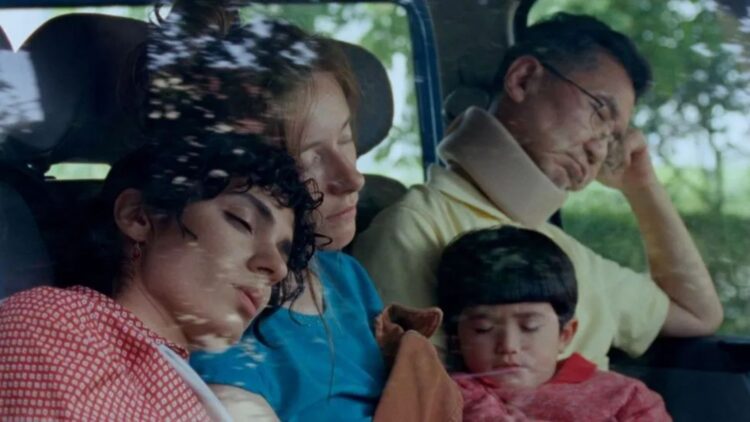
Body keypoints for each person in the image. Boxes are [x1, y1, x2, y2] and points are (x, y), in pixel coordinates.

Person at [353, 12, 723, 368]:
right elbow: (422, 395)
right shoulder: (416, 226)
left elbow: (697, 313)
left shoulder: (565, 251)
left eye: (613, 136)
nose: (599, 150)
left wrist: (641, 184)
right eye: (599, 111)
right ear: (523, 79)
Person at [0, 14, 320, 419]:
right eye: (241, 222)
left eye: (284, 252)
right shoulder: (54, 326)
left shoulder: (186, 382)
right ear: (138, 217)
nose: (275, 268)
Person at [188, 21, 389, 421]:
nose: (353, 178)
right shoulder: (230, 327)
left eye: (345, 138)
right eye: (310, 157)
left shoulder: (346, 276)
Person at [439, 226, 671, 421]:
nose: (509, 346)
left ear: (565, 335)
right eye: (483, 329)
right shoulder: (449, 395)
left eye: (530, 327)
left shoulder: (626, 396)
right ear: (457, 339)